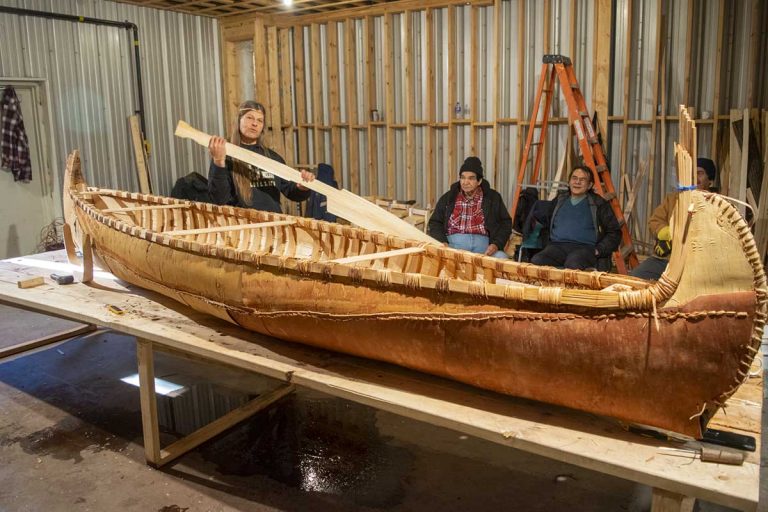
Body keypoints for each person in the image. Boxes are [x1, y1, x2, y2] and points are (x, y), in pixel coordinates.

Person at [208, 100, 314, 213]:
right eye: (249, 118)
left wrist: (302, 187)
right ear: (238, 120)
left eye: (260, 120)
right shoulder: (226, 155)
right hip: (243, 222)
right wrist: (218, 162)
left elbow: (291, 191)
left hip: (274, 222)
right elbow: (219, 199)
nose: (255, 123)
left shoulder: (273, 158)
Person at [629, 157, 717, 280]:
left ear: (710, 180)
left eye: (700, 173)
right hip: (665, 260)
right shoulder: (673, 199)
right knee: (635, 277)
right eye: (692, 173)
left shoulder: (716, 204)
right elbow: (655, 220)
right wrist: (665, 233)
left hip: (695, 263)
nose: (695, 177)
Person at [530, 166, 621, 269]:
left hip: (585, 249)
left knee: (573, 264)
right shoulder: (559, 200)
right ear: (569, 182)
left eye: (582, 180)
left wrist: (599, 250)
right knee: (537, 261)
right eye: (574, 178)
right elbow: (547, 224)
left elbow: (615, 232)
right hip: (557, 247)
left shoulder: (598, 203)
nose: (577, 182)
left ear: (589, 185)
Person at [428, 156, 512, 258]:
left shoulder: (493, 198)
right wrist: (442, 242)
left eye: (471, 178)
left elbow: (506, 223)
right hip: (454, 247)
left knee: (501, 258)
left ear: (479, 181)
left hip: (484, 249)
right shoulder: (449, 197)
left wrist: (496, 244)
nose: (465, 182)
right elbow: (435, 222)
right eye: (462, 177)